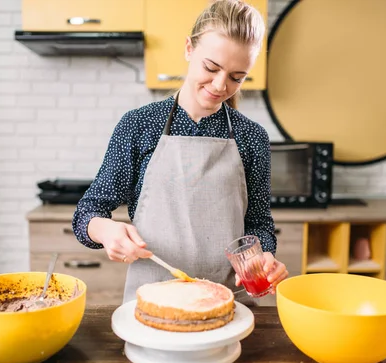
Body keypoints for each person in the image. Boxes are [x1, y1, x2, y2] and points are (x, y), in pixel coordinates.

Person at [72, 0, 288, 306]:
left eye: (236, 77)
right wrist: (105, 231)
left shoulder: (251, 137)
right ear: (189, 49)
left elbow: (258, 224)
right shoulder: (140, 125)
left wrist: (265, 257)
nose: (220, 85)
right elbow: (86, 214)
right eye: (211, 67)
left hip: (229, 305)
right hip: (152, 304)